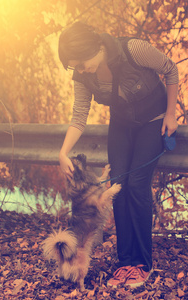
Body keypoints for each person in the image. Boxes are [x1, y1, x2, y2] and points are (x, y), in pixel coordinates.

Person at [58, 21, 179, 288]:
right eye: (75, 66)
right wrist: (63, 152)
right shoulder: (84, 75)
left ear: (95, 47)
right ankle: (125, 263)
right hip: (122, 125)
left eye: (81, 62)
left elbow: (170, 69)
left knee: (136, 185)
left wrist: (171, 114)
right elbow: (79, 116)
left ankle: (142, 264)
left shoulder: (133, 49)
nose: (80, 70)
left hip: (154, 119)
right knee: (117, 187)